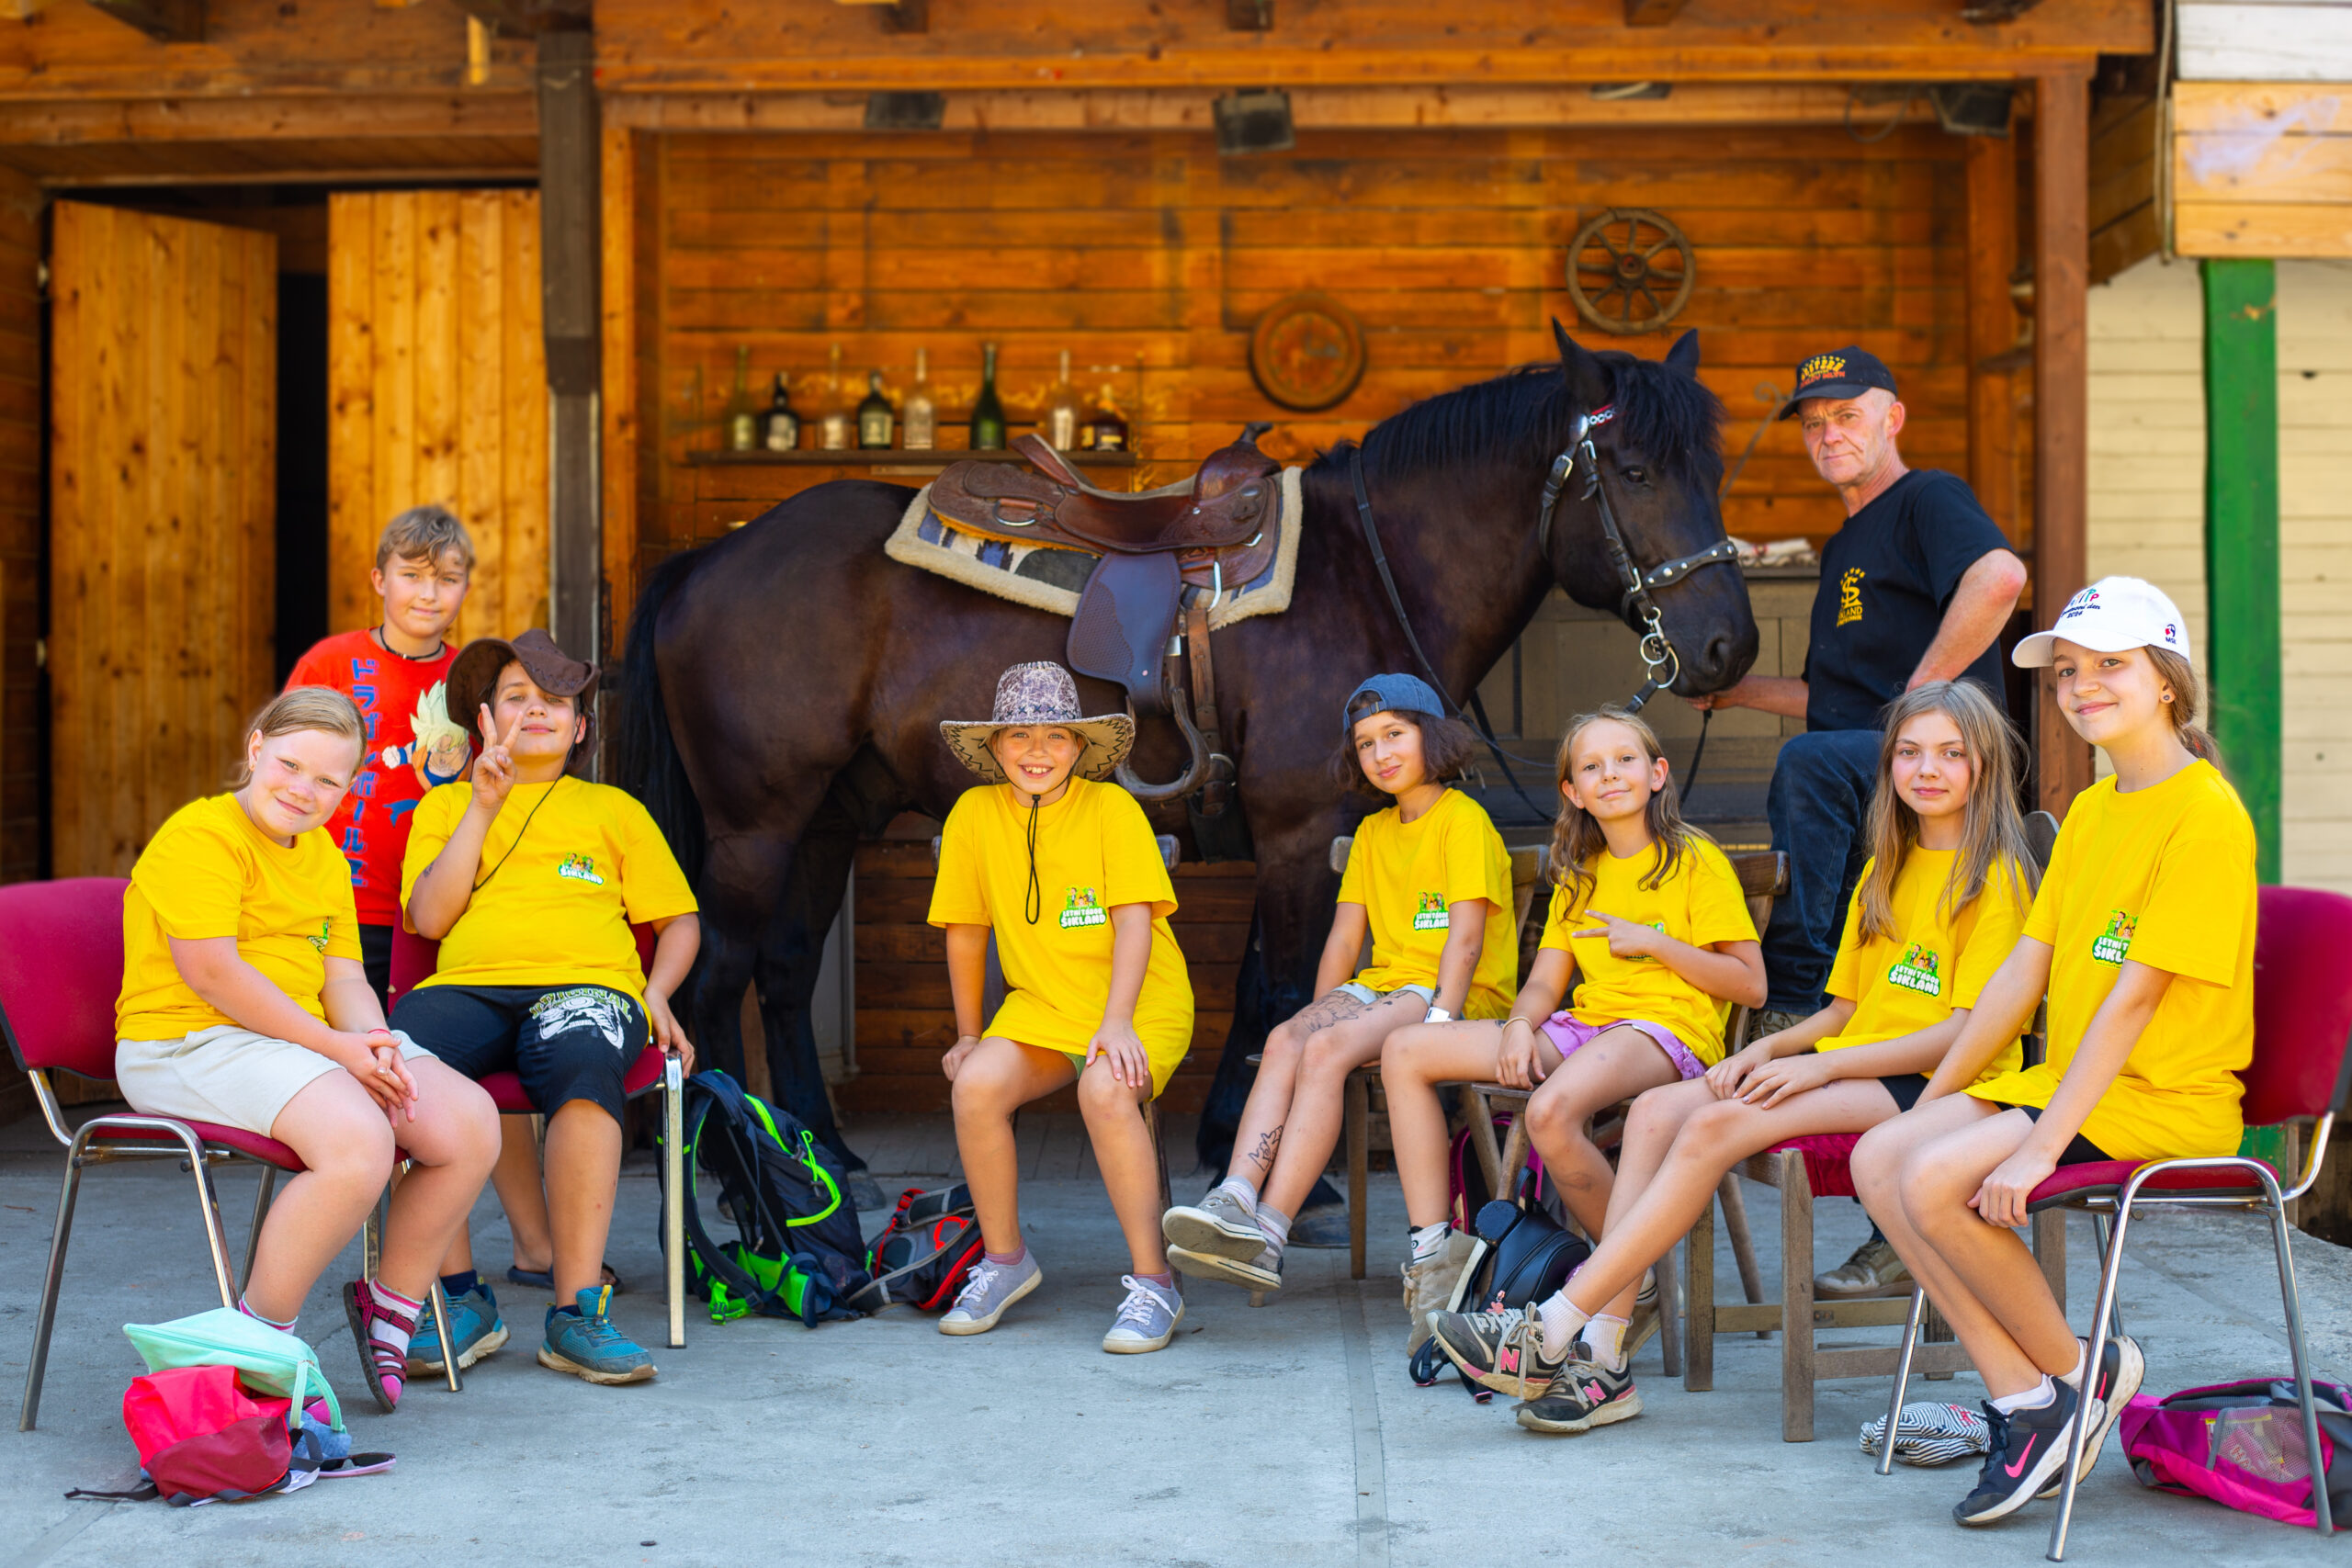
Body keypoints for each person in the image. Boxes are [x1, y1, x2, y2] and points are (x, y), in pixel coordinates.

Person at [1458, 682, 2040, 1433]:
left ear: (1986, 767)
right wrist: (1767, 1047)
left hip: (1936, 1082)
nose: (1928, 769)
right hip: (1858, 1061)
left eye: (1952, 754)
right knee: (1665, 1107)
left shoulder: (1995, 874)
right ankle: (1603, 1351)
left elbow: (1967, 1032)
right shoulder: (1886, 867)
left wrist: (1823, 1065)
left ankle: (1568, 1326)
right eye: (1910, 752)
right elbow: (1842, 1012)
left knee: (1712, 1126)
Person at [1851, 576, 2244, 1528]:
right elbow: (2021, 975)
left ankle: (2083, 1372)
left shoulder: (2204, 816)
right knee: (1881, 1156)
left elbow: (2131, 1002)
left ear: (2165, 681)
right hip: (2068, 1081)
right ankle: (2029, 1403)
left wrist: (2033, 1147)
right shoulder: (2096, 809)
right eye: (2068, 671)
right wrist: (1935, 1098)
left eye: (2109, 665)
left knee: (1937, 1180)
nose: (2081, 686)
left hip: (2157, 1094)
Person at [1690, 345, 2028, 1303]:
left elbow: (1999, 579)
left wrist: (1918, 704)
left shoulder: (1927, 501)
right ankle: (1885, 1212)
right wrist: (1736, 692)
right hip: (1882, 777)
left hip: (1950, 771)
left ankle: (1794, 994)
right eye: (1812, 421)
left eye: (1848, 413)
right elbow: (1835, 708)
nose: (1829, 431)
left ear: (1893, 418)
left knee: (1813, 764)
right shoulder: (1844, 549)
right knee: (1814, 752)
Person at [112, 688, 501, 1413]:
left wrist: (373, 1044)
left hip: (293, 1043)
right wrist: (337, 1049)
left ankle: (391, 1302)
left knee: (467, 1119)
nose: (304, 790)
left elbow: (343, 975)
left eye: (328, 780)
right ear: (257, 748)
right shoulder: (201, 835)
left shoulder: (322, 854)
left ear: (348, 787)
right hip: (186, 1040)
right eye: (291, 764)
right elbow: (214, 973)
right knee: (361, 1140)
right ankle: (257, 1348)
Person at [1411, 705, 1765, 1382]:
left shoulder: (1695, 859)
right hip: (1589, 1027)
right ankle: (1438, 1257)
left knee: (1547, 1112)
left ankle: (1612, 1269)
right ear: (1572, 790)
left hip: (1666, 1030)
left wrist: (1657, 944)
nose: (1610, 775)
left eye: (1625, 759)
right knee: (1410, 1050)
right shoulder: (1580, 869)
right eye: (1590, 766)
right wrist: (1518, 1024)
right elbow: (1547, 979)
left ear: (1658, 772)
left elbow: (1750, 984)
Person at [393, 630, 701, 1386]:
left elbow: (681, 920)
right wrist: (482, 806)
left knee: (584, 1060)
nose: (537, 711)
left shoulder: (614, 811)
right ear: (484, 723)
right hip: (466, 988)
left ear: (581, 727)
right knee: (398, 1068)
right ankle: (461, 1300)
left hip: (586, 986)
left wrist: (655, 991)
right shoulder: (445, 809)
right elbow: (429, 919)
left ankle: (575, 1313)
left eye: (555, 701)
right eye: (516, 698)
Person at [1160, 674, 1514, 1301]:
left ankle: (1270, 1232)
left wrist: (1440, 1018)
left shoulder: (1465, 820)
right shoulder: (1375, 834)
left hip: (1449, 994)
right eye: (1366, 743)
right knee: (1285, 1039)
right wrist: (1316, 1016)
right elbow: (1345, 943)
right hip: (1383, 990)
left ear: (1431, 736)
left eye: (1395, 735)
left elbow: (1465, 939)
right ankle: (1235, 1198)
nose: (1381, 753)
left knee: (1325, 1048)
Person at [929, 662, 1197, 1353]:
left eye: (1056, 735)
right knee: (977, 1085)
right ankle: (1006, 1259)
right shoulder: (972, 816)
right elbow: (966, 932)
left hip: (1137, 1001)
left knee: (1104, 1087)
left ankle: (1153, 1283)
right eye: (1018, 734)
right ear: (994, 746)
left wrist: (1116, 1022)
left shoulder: (1113, 810)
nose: (1037, 750)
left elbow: (1135, 921)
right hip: (1041, 1005)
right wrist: (967, 1033)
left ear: (1082, 747)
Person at [283, 504, 473, 1006]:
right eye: (411, 576)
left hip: (422, 910)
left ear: (466, 589)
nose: (429, 594)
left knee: (401, 1051)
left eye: (447, 579)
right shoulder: (328, 663)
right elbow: (279, 767)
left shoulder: (472, 681)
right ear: (379, 580)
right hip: (322, 902)